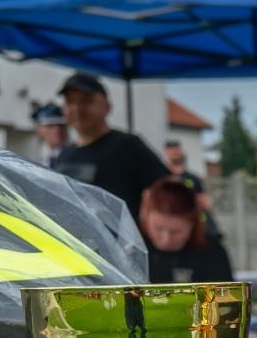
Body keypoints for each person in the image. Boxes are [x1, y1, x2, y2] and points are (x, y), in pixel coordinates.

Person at [53, 72, 171, 231]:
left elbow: (168, 190)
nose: (77, 108)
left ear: (107, 107)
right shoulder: (64, 155)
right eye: (70, 102)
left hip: (122, 244)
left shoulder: (128, 146)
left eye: (86, 101)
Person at [139, 178, 233, 284]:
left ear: (192, 225)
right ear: (145, 219)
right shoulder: (133, 252)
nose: (166, 239)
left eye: (176, 232)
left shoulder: (213, 253)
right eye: (158, 228)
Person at [32, 103, 68, 168]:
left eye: (61, 125)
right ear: (39, 130)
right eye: (50, 126)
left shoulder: (74, 158)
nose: (57, 130)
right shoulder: (43, 162)